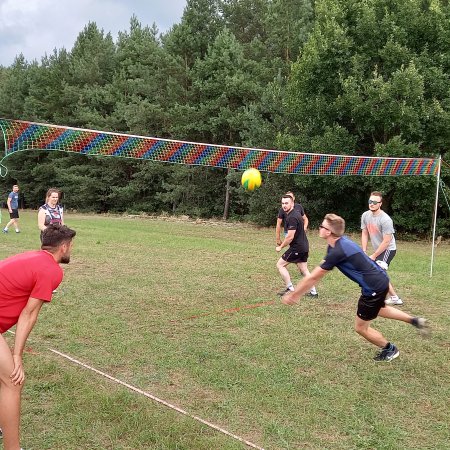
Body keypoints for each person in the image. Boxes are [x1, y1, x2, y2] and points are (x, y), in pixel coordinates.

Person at [282, 214, 428, 362]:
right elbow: (323, 265)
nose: (319, 228)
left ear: (329, 232)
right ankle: (414, 320)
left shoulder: (337, 251)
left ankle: (390, 349)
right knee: (380, 309)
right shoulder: (339, 243)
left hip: (373, 289)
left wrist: (295, 295)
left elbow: (313, 277)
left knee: (361, 328)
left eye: (322, 226)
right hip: (381, 281)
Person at [0, 224, 76, 450]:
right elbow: (29, 314)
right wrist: (17, 355)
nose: (71, 250)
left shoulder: (32, 257)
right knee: (12, 381)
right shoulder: (51, 270)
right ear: (63, 247)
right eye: (71, 246)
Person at [361, 191, 403, 305]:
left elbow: (387, 241)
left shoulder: (385, 219)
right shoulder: (365, 215)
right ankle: (394, 298)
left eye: (375, 202)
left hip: (388, 249)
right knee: (379, 273)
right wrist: (364, 250)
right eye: (370, 201)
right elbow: (365, 233)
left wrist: (374, 255)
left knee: (378, 272)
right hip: (379, 249)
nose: (372, 204)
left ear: (380, 203)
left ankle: (380, 296)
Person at [276, 194, 318, 297]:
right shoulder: (294, 214)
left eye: (286, 203)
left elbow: (290, 237)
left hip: (297, 248)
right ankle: (313, 292)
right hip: (304, 246)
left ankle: (290, 289)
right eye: (283, 203)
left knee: (280, 265)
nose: (284, 205)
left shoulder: (292, 217)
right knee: (304, 270)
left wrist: (280, 247)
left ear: (292, 203)